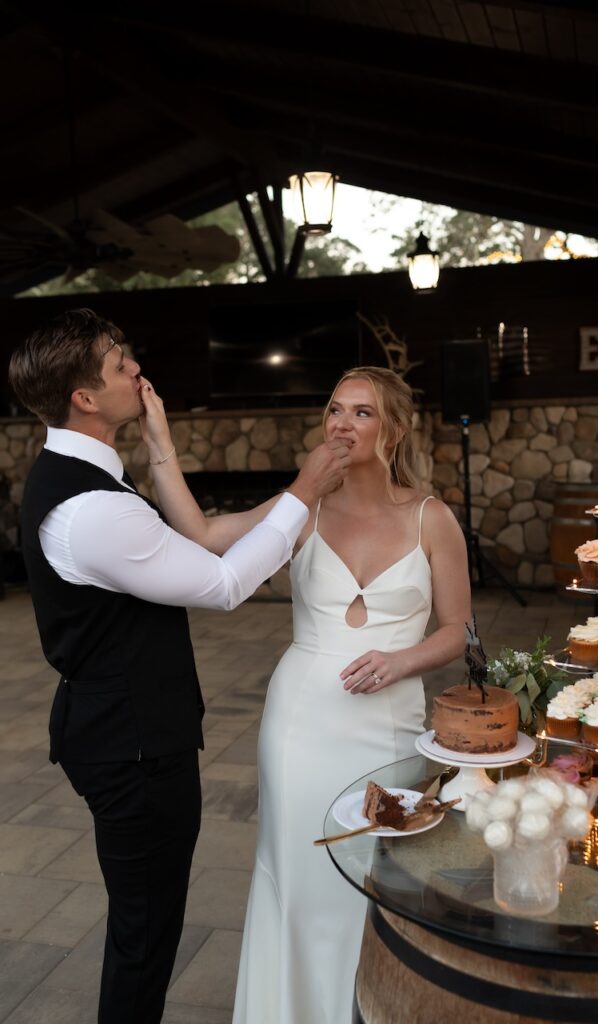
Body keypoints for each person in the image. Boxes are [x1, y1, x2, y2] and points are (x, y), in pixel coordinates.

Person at [7, 307, 350, 1024]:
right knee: (145, 935)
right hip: (131, 748)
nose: (137, 368)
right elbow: (221, 584)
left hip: (121, 733)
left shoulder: (81, 477)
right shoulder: (89, 510)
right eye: (118, 362)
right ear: (86, 399)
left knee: (146, 925)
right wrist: (305, 494)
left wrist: (162, 447)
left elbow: (200, 538)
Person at [143, 365, 471, 1024]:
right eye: (334, 411)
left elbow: (459, 630)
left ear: (395, 428)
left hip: (388, 729)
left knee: (379, 881)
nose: (343, 424)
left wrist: (403, 659)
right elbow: (205, 537)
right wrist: (159, 442)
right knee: (297, 879)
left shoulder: (433, 518)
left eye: (362, 412)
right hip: (299, 727)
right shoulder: (304, 510)